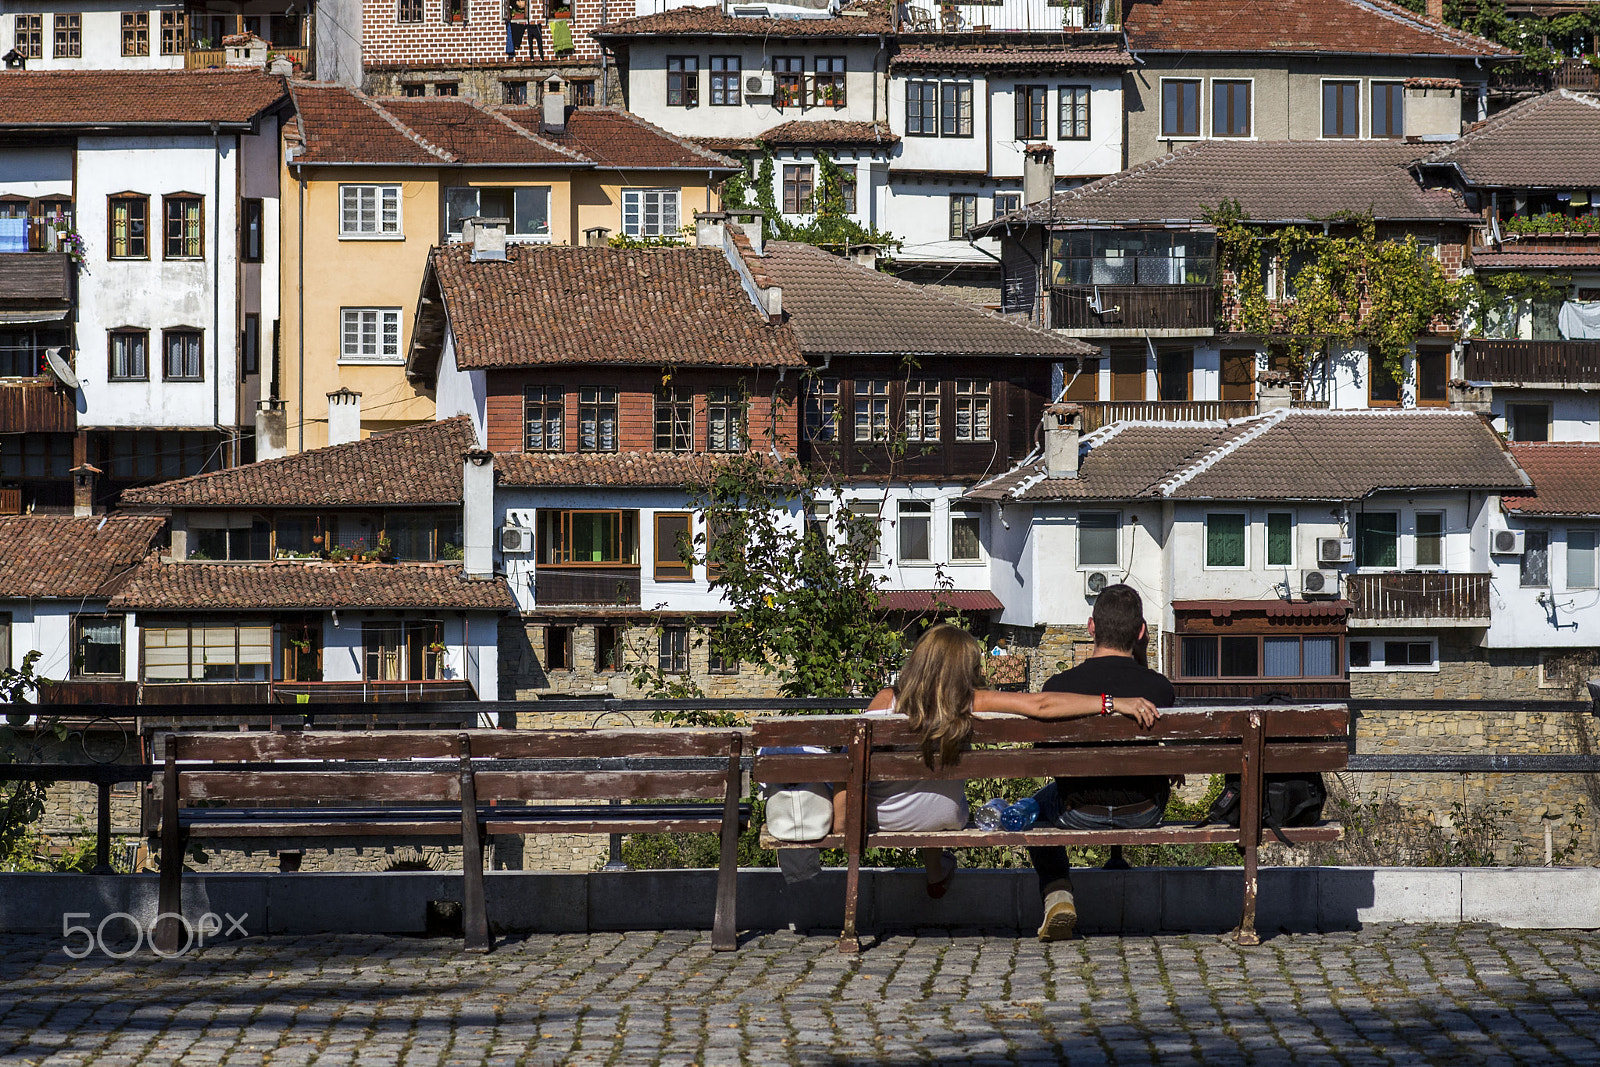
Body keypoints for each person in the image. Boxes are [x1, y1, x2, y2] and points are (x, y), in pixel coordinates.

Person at [832, 624, 1160, 898]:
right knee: (932, 789)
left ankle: (932, 874)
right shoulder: (971, 701)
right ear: (968, 668)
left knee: (907, 784)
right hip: (946, 815)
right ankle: (936, 872)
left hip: (883, 817)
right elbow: (1041, 705)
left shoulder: (886, 701)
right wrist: (1111, 703)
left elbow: (852, 765)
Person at [1028, 583, 1177, 942]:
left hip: (1077, 811)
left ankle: (1059, 894)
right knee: (1127, 774)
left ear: (1091, 627)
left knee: (1033, 807)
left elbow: (1044, 758)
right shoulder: (1159, 689)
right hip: (1145, 811)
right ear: (1141, 632)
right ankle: (1116, 857)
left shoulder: (1059, 685)